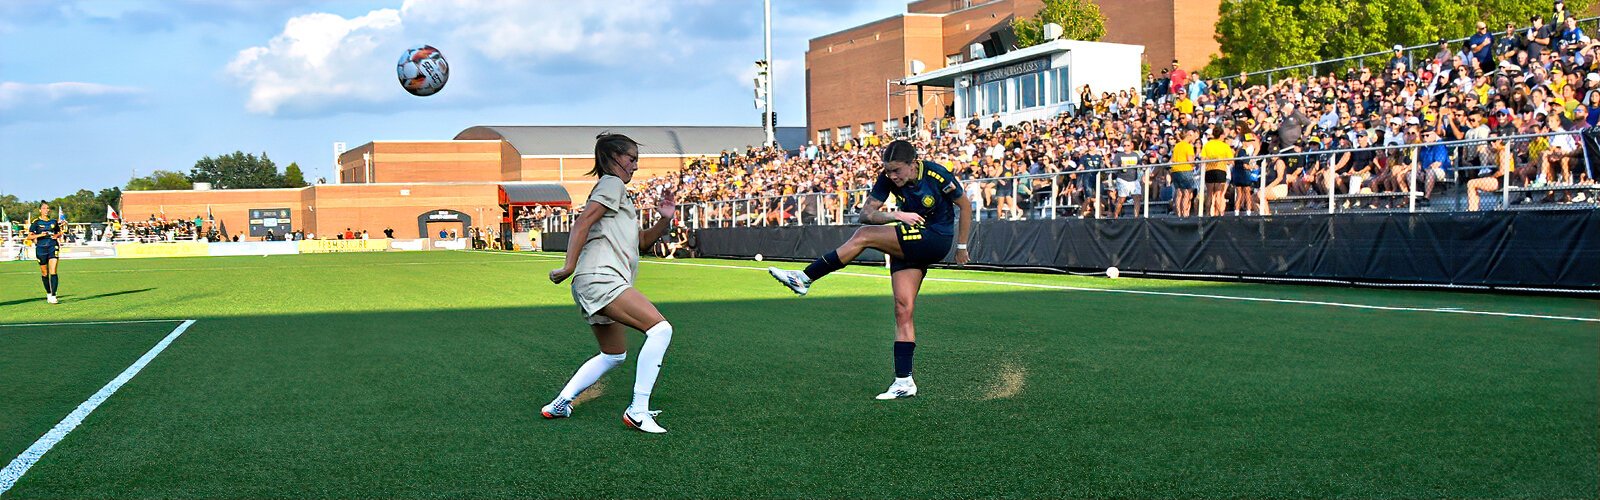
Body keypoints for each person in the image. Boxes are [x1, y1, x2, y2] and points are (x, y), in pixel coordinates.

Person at [767, 140, 974, 400]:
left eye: (897, 170)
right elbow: (867, 213)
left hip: (936, 237)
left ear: (913, 165)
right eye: (888, 170)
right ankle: (904, 381)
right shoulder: (887, 179)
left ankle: (805, 277)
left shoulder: (936, 174)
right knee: (903, 309)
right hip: (907, 236)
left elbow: (964, 205)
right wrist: (896, 216)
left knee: (864, 236)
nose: (892, 176)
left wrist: (962, 246)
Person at [543, 133, 680, 434]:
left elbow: (641, 242)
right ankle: (638, 410)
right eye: (632, 159)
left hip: (595, 282)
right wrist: (568, 266)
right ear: (614, 157)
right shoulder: (611, 183)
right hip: (600, 278)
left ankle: (561, 402)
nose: (635, 167)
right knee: (661, 330)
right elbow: (583, 222)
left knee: (614, 354)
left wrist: (665, 218)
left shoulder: (618, 193)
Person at [26, 201, 65, 304]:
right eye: (44, 208)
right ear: (40, 210)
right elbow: (29, 237)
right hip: (41, 248)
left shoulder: (53, 222)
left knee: (53, 271)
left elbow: (59, 232)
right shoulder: (36, 222)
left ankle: (53, 295)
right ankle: (48, 292)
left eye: (47, 208)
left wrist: (57, 235)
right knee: (44, 272)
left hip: (53, 246)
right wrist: (40, 235)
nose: (46, 210)